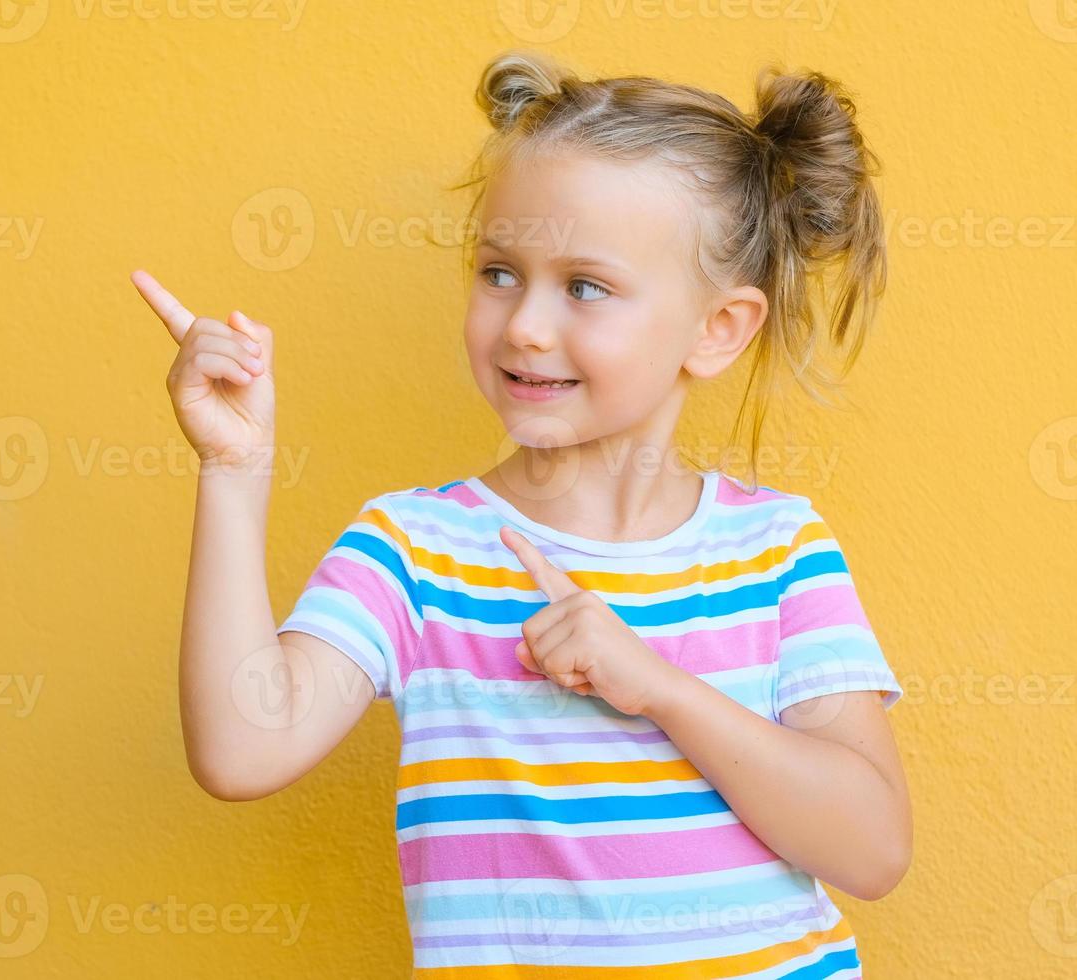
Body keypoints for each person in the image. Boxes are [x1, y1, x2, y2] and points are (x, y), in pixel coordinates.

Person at [132, 48, 909, 979]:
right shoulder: (415, 550)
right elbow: (239, 749)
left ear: (718, 330)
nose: (525, 325)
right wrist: (233, 469)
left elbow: (872, 850)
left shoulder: (779, 550)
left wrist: (654, 683)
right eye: (500, 272)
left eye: (585, 286)